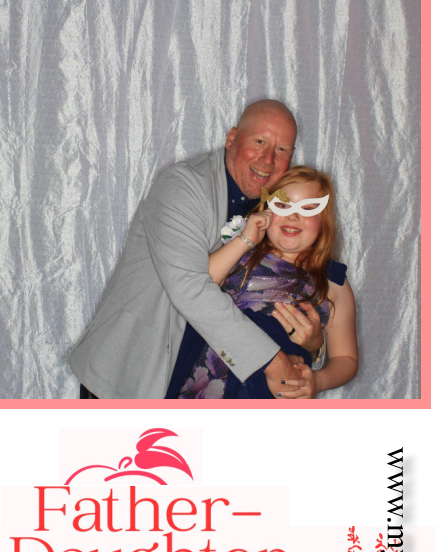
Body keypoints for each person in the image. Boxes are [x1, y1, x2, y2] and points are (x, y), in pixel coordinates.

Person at [70, 98, 307, 401]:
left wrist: (312, 343)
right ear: (232, 138)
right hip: (129, 377)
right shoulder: (182, 185)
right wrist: (271, 362)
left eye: (282, 149)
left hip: (194, 388)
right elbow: (191, 288)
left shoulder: (279, 208)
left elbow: (293, 288)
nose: (268, 159)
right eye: (259, 141)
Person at [166, 166, 358, 399]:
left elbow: (346, 358)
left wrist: (318, 381)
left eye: (308, 209)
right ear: (266, 210)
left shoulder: (333, 282)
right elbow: (196, 282)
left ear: (324, 220)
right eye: (283, 205)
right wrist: (245, 240)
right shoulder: (240, 255)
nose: (293, 216)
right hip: (206, 388)